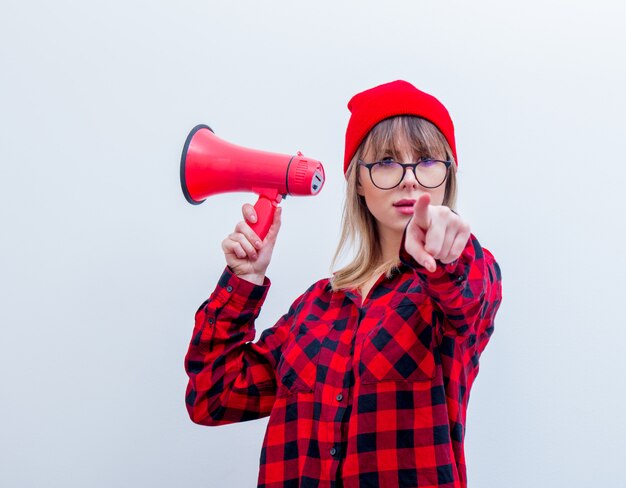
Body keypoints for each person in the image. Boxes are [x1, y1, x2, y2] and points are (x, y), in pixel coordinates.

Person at [184, 80, 503, 488]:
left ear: (447, 177)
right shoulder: (313, 309)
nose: (409, 179)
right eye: (386, 161)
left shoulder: (455, 282)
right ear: (358, 182)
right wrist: (244, 281)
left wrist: (450, 253)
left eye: (426, 161)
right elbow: (213, 396)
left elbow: (469, 295)